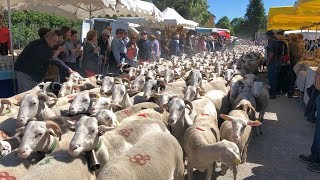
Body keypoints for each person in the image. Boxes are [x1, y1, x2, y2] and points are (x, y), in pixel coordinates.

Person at [266, 30, 280, 99]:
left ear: (268, 35)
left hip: (273, 63)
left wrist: (268, 62)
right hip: (277, 62)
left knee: (272, 79)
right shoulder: (276, 40)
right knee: (275, 78)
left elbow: (271, 53)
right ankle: (275, 92)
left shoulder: (271, 41)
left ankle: (272, 94)